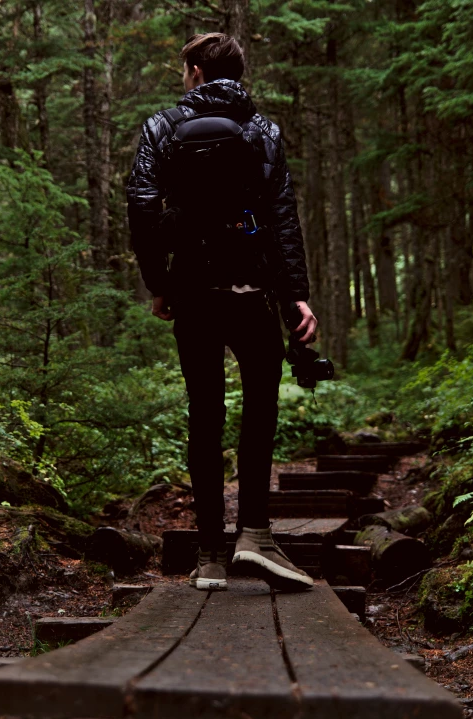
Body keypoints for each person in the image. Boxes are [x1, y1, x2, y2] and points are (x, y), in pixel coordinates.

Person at [127, 32, 317, 592]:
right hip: (253, 291)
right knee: (260, 408)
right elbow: (282, 217)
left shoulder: (161, 127)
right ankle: (255, 535)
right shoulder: (264, 131)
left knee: (205, 413)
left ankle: (210, 554)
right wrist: (294, 296)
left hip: (193, 293)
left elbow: (141, 206)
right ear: (238, 72)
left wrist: (159, 283)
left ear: (194, 72)